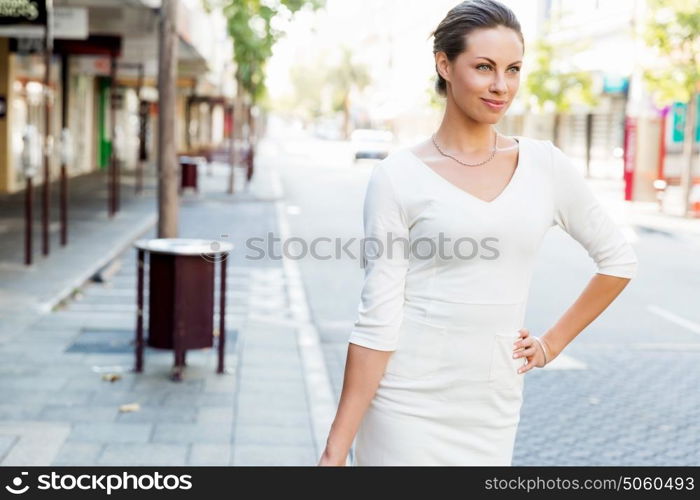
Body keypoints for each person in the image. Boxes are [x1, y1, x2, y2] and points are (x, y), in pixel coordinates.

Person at [318, 0, 638, 466]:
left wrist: (551, 344)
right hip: (405, 403)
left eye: (512, 69)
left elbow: (618, 259)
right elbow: (377, 320)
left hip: (492, 407)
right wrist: (334, 450)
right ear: (444, 64)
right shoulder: (397, 177)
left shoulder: (545, 166)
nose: (501, 86)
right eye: (484, 67)